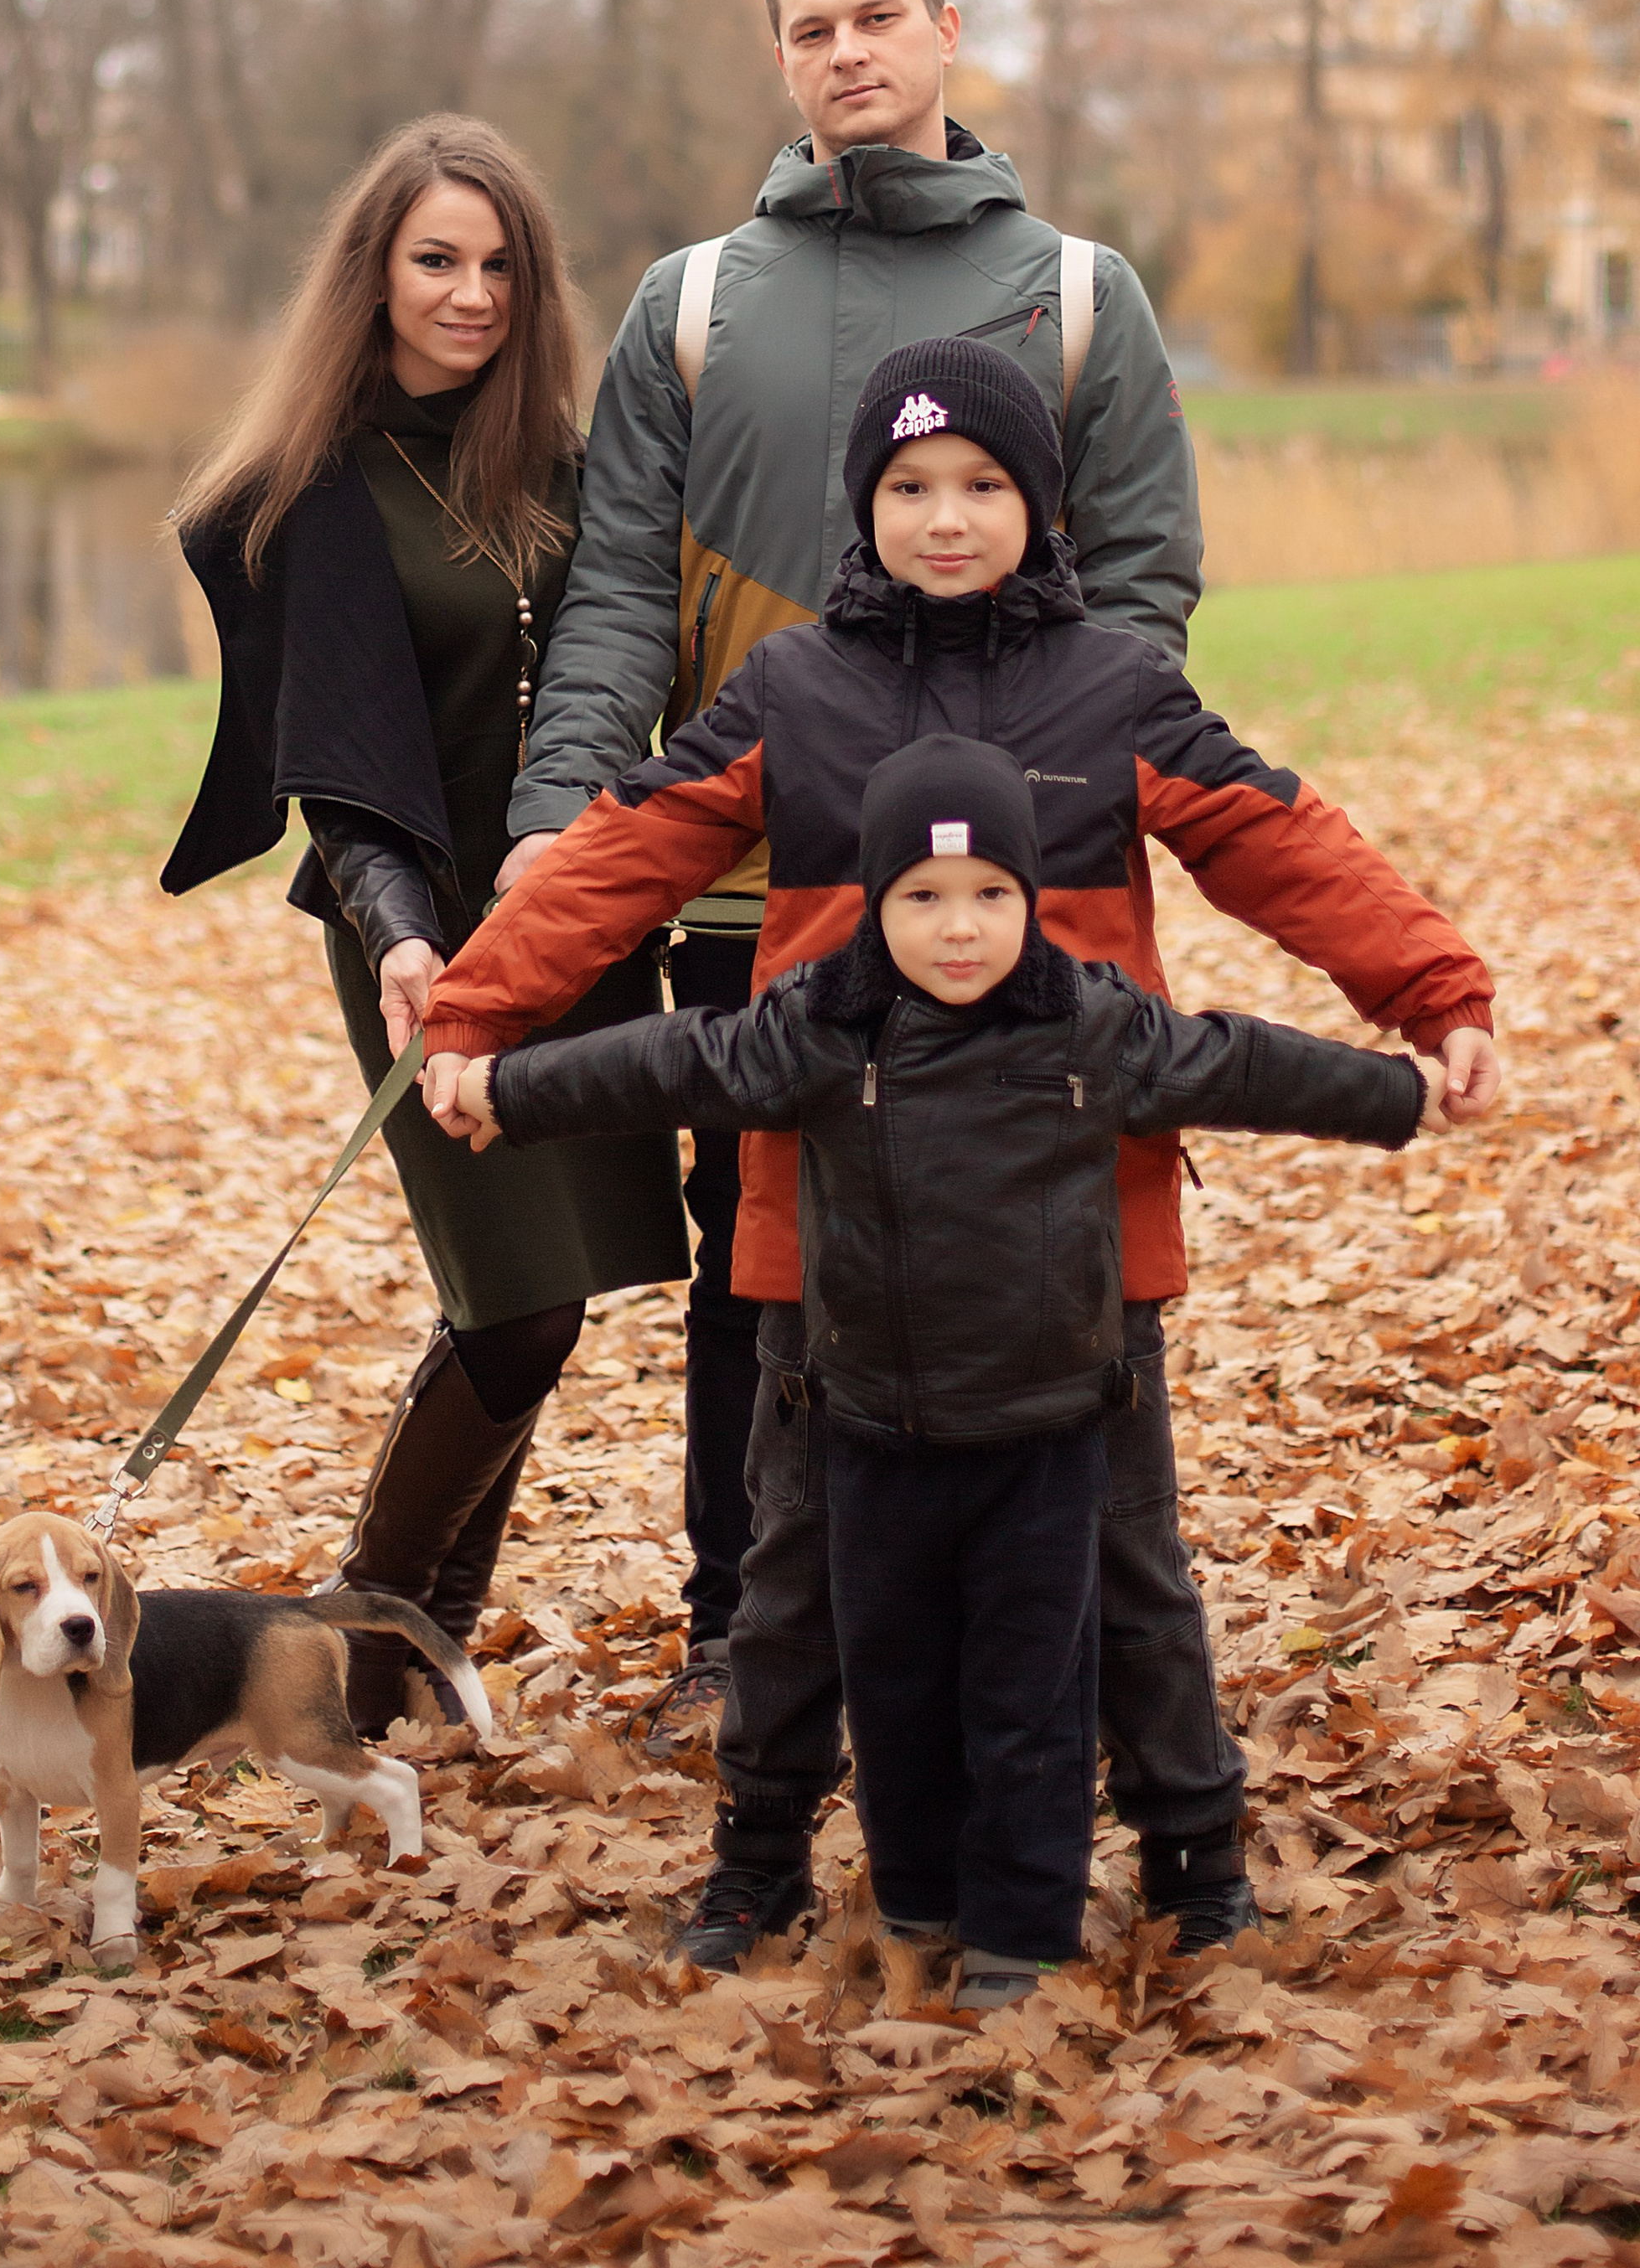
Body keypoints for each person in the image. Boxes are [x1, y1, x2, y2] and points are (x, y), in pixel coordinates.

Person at [422, 338, 1498, 1958]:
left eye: (983, 486)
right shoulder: (794, 692)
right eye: (910, 488)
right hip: (828, 1216)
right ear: (865, 509)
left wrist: (1436, 991)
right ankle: (761, 1859)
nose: (946, 517)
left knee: (1127, 1569)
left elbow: (1281, 842)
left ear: (1039, 504)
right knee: (796, 1575)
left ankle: (1195, 1862)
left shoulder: (1115, 688)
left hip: (1076, 1226)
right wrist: (478, 1014)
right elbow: (624, 852)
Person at [490, 0, 1201, 1746]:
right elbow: (617, 597)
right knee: (757, 1258)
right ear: (779, 57)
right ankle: (743, 1632)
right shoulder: (690, 302)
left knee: (1023, 1243)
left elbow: (1137, 591)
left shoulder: (1073, 298)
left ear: (947, 30)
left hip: (1003, 883)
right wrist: (558, 821)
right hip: (748, 884)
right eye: (809, 30)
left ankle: (1055, 1630)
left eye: (876, 17)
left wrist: (1054, 810)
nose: (845, 53)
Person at [450, 736, 1444, 2010]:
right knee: (900, 1687)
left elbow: (1239, 1061)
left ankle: (1020, 1941)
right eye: (922, 899)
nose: (959, 929)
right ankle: (921, 1904)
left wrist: (1398, 1095)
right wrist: (505, 1089)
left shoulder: (1092, 1024)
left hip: (1047, 1435)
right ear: (874, 905)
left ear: (1033, 903)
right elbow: (669, 1061)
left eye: (991, 898)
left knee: (1031, 1700)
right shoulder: (822, 1027)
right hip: (873, 1431)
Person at [162, 115, 687, 1734]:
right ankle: (367, 1665)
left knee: (556, 1292)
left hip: (582, 920)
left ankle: (415, 1652)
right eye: (435, 261)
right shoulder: (323, 487)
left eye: (498, 265)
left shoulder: (552, 460)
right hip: (428, 936)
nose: (469, 295)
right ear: (373, 276)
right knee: (514, 1294)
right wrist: (400, 933)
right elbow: (341, 759)